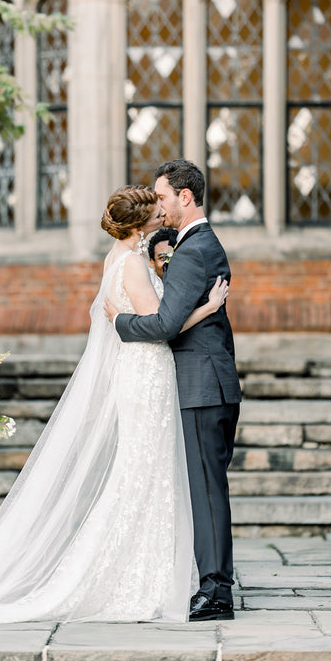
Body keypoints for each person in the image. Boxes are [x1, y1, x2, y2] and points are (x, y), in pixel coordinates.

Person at [0, 184, 227, 631]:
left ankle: (142, 573)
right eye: (154, 212)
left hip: (141, 374)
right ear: (139, 223)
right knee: (144, 473)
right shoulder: (131, 264)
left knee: (142, 474)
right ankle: (131, 578)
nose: (161, 216)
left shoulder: (119, 259)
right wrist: (207, 307)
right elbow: (161, 327)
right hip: (146, 374)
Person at [105, 161, 241, 622]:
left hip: (202, 385)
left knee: (205, 490)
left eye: (162, 198)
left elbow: (163, 324)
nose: (158, 208)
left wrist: (119, 321)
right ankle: (213, 581)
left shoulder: (194, 250)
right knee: (206, 487)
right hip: (205, 382)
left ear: (186, 197)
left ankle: (216, 593)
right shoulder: (189, 246)